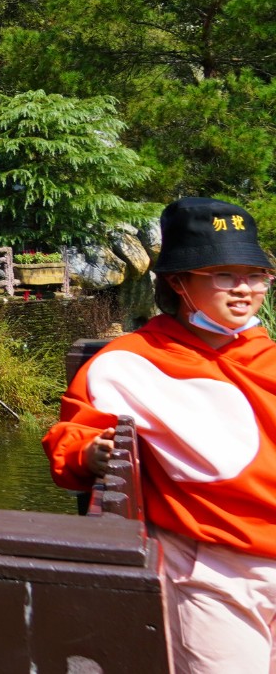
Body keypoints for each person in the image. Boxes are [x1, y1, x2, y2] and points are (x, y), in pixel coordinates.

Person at [46, 197, 276, 673]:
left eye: (255, 275)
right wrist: (90, 454)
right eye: (223, 276)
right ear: (178, 282)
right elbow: (70, 435)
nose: (244, 290)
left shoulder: (267, 355)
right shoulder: (130, 363)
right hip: (214, 568)